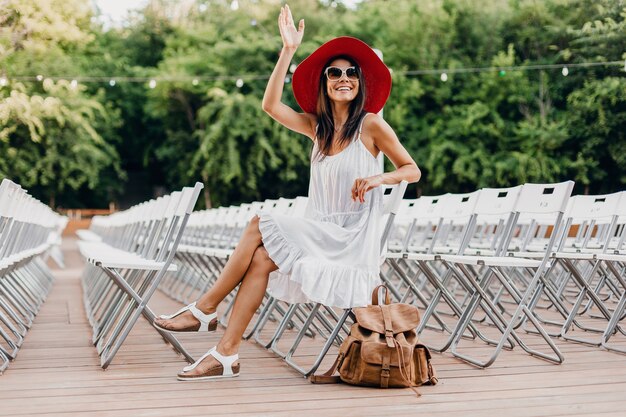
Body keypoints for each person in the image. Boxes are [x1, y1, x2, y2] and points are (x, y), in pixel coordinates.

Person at [153, 4, 421, 381]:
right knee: (261, 259)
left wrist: (380, 179)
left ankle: (205, 308)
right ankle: (226, 353)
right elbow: (270, 105)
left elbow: (412, 169)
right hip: (320, 230)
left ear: (359, 82)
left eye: (350, 73)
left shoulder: (372, 126)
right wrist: (288, 52)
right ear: (325, 82)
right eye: (334, 72)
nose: (343, 78)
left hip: (351, 239)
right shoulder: (318, 129)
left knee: (259, 222)